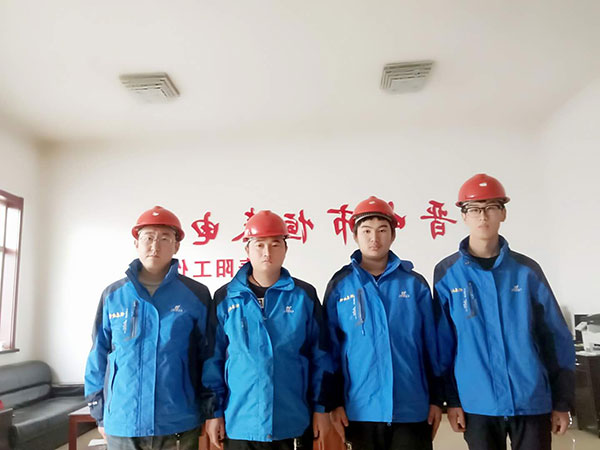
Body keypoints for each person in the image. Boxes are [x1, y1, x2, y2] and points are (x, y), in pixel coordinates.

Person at [434, 174, 575, 450]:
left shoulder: (527, 271)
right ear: (463, 216)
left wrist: (562, 401)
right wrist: (452, 400)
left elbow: (555, 337)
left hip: (530, 398)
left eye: (491, 207)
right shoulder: (447, 273)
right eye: (474, 209)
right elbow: (443, 345)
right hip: (477, 403)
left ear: (503, 213)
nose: (482, 216)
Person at [202, 210, 335, 450]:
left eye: (275, 244)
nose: (267, 252)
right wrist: (214, 413)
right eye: (259, 245)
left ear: (285, 249)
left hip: (293, 421)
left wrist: (321, 408)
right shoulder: (225, 298)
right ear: (247, 249)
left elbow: (321, 356)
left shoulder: (303, 296)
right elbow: (213, 360)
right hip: (240, 422)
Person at [85, 206, 211, 450]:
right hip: (123, 421)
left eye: (164, 238)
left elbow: (209, 357)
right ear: (136, 243)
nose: (155, 246)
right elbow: (98, 355)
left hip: (177, 421)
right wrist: (98, 410)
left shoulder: (196, 295)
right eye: (148, 237)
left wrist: (209, 409)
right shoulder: (113, 295)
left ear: (176, 246)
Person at [325, 196, 442, 450]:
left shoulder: (414, 284)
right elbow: (330, 350)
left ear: (393, 235)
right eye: (366, 231)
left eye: (382, 230)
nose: (374, 238)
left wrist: (437, 399)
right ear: (355, 236)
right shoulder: (340, 285)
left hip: (412, 408)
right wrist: (334, 403)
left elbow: (432, 346)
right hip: (360, 410)